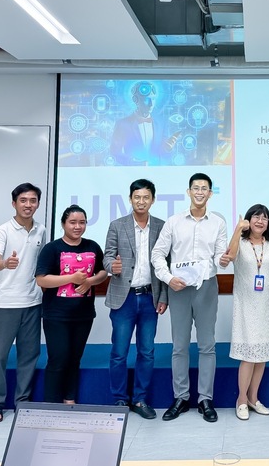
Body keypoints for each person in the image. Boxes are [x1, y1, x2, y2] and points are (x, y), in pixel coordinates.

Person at [151, 173, 228, 423]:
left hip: (206, 287)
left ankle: (205, 399)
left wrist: (224, 259)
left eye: (204, 188)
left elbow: (220, 258)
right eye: (196, 188)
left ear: (210, 194)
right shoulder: (173, 222)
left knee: (207, 345)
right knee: (179, 346)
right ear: (189, 192)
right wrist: (168, 278)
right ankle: (181, 398)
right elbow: (157, 254)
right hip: (179, 288)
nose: (200, 192)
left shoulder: (218, 223)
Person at [103, 179, 168, 419]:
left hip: (150, 297)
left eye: (146, 197)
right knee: (119, 352)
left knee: (147, 351)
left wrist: (164, 296)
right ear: (130, 199)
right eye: (137, 197)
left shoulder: (161, 227)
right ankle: (120, 399)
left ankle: (140, 399)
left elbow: (165, 263)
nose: (141, 201)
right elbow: (107, 256)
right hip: (124, 298)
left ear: (153, 200)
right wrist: (112, 266)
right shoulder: (117, 225)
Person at [0, 183, 46, 423]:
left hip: (32, 302)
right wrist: (5, 264)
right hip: (5, 303)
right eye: (23, 200)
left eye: (33, 200)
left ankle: (22, 401)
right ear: (14, 203)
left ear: (38, 204)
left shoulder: (41, 230)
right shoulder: (3, 230)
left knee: (29, 355)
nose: (28, 205)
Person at [35, 205, 107, 404]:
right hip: (56, 314)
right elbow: (41, 279)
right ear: (63, 224)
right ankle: (51, 403)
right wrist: (71, 278)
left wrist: (89, 281)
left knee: (75, 358)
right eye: (73, 222)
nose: (77, 226)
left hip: (84, 314)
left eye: (82, 222)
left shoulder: (92, 246)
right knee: (58, 359)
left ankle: (69, 399)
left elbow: (102, 272)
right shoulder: (52, 248)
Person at [220, 204, 269, 420]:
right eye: (256, 217)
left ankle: (254, 399)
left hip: (266, 305)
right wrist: (238, 229)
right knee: (248, 356)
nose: (260, 221)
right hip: (246, 305)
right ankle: (241, 400)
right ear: (248, 220)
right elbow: (230, 255)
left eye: (264, 218)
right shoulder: (242, 242)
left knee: (262, 355)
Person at [110, 81, 178, 165]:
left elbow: (163, 153)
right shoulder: (122, 124)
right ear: (135, 100)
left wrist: (167, 148)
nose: (151, 104)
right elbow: (115, 152)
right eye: (146, 99)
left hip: (157, 171)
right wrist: (133, 163)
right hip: (132, 172)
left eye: (153, 99)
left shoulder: (161, 123)